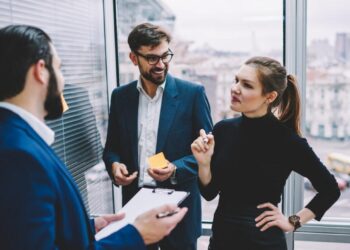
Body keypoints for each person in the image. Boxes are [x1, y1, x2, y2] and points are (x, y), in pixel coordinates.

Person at [0, 24, 187, 250]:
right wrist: (135, 235)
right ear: (40, 71)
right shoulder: (17, 153)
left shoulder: (17, 138)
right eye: (59, 68)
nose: (63, 80)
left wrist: (87, 227)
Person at [191, 56, 341, 250]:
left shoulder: (288, 142)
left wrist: (293, 222)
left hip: (264, 243)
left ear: (269, 97)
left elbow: (330, 189)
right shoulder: (223, 130)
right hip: (221, 240)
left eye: (247, 85)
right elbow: (210, 193)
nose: (235, 88)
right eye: (236, 80)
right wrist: (203, 163)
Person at [103, 23, 213, 250]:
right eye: (152, 58)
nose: (161, 64)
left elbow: (208, 152)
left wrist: (175, 168)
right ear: (134, 59)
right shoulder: (121, 97)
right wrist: (114, 166)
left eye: (166, 56)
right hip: (136, 207)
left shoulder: (192, 94)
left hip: (178, 208)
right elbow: (112, 147)